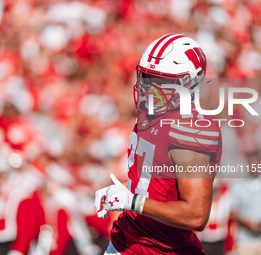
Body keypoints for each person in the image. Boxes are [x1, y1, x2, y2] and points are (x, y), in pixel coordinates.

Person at [95, 34, 222, 254]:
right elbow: (154, 182)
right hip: (126, 238)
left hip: (161, 249)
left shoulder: (190, 129)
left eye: (159, 81)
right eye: (146, 77)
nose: (148, 88)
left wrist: (133, 201)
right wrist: (123, 190)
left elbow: (196, 214)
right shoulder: (153, 113)